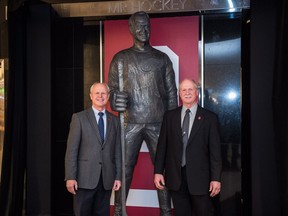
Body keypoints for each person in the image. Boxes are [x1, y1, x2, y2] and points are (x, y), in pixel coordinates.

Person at [108, 11, 178, 216]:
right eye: (139, 26)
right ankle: (120, 211)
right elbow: (111, 89)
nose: (143, 30)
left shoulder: (162, 59)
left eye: (146, 25)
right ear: (130, 29)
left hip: (159, 123)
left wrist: (172, 126)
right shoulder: (120, 59)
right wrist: (114, 99)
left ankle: (166, 212)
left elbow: (172, 93)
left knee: (162, 169)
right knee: (124, 169)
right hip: (130, 123)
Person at [154, 79, 222, 216]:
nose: (187, 93)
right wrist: (158, 171)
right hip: (176, 178)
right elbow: (162, 146)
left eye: (190, 89)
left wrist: (216, 178)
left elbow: (215, 152)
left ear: (196, 93)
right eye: (183, 90)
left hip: (201, 179)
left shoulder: (210, 118)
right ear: (179, 94)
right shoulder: (169, 116)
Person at [65, 82, 122, 216]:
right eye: (97, 93)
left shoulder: (115, 121)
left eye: (103, 93)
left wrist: (118, 177)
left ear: (108, 97)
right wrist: (70, 177)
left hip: (106, 180)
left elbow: (117, 152)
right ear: (91, 96)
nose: (100, 96)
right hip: (83, 180)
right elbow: (71, 151)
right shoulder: (79, 118)